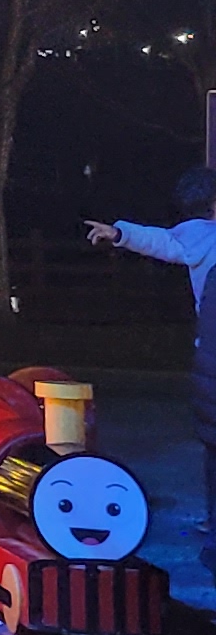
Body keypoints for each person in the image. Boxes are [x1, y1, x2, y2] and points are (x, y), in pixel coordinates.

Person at [84, 166, 216, 568]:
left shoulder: (196, 239)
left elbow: (161, 241)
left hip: (208, 356)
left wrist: (119, 233)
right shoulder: (206, 235)